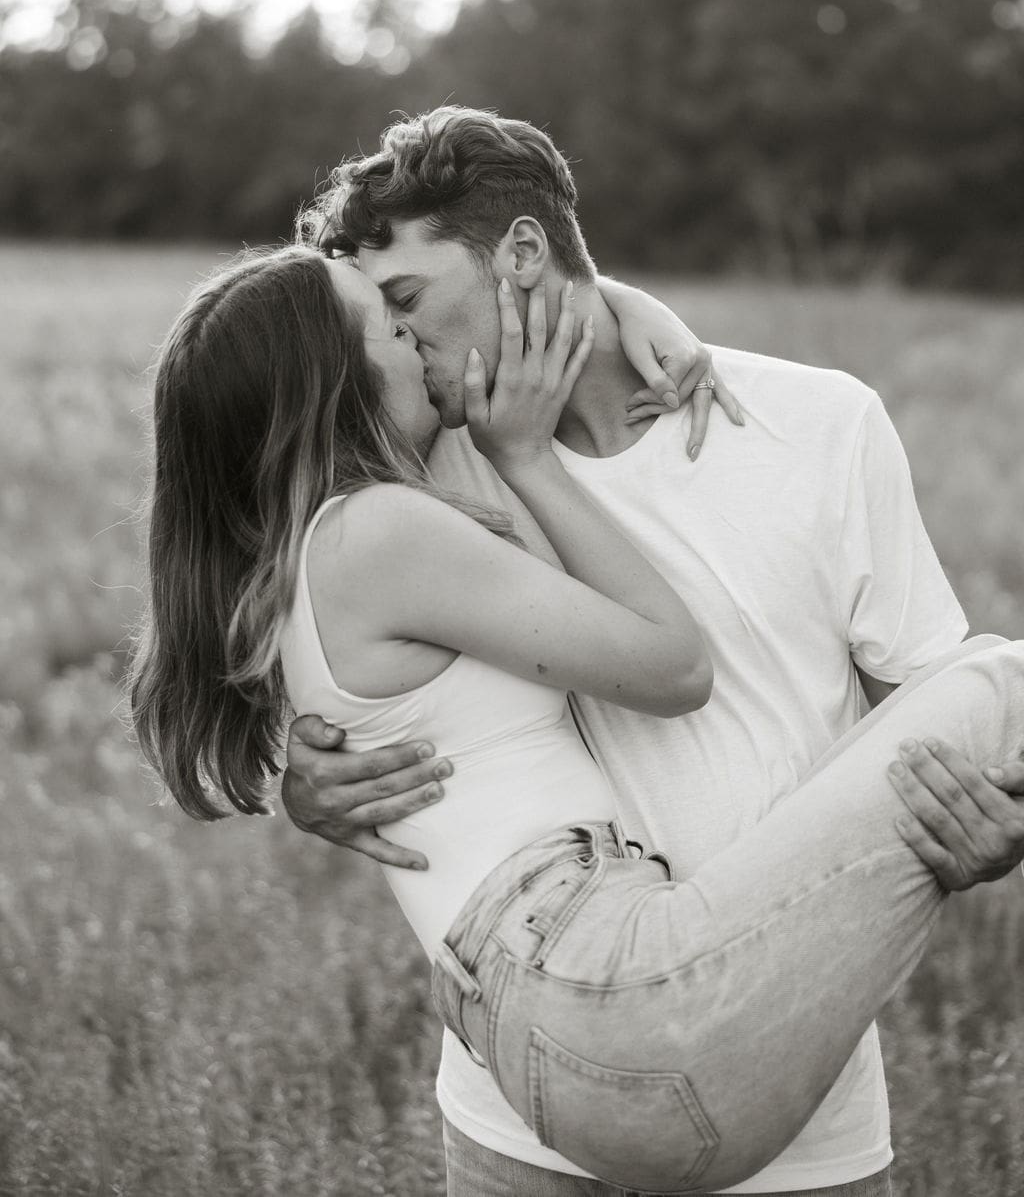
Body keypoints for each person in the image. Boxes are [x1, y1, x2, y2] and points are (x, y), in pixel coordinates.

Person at [280, 106, 1024, 1197]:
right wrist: (303, 780)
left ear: (524, 253)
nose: (397, 346)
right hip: (515, 1118)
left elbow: (936, 702)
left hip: (791, 1110)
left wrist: (1000, 819)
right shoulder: (421, 475)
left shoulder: (815, 422)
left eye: (407, 304)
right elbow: (309, 637)